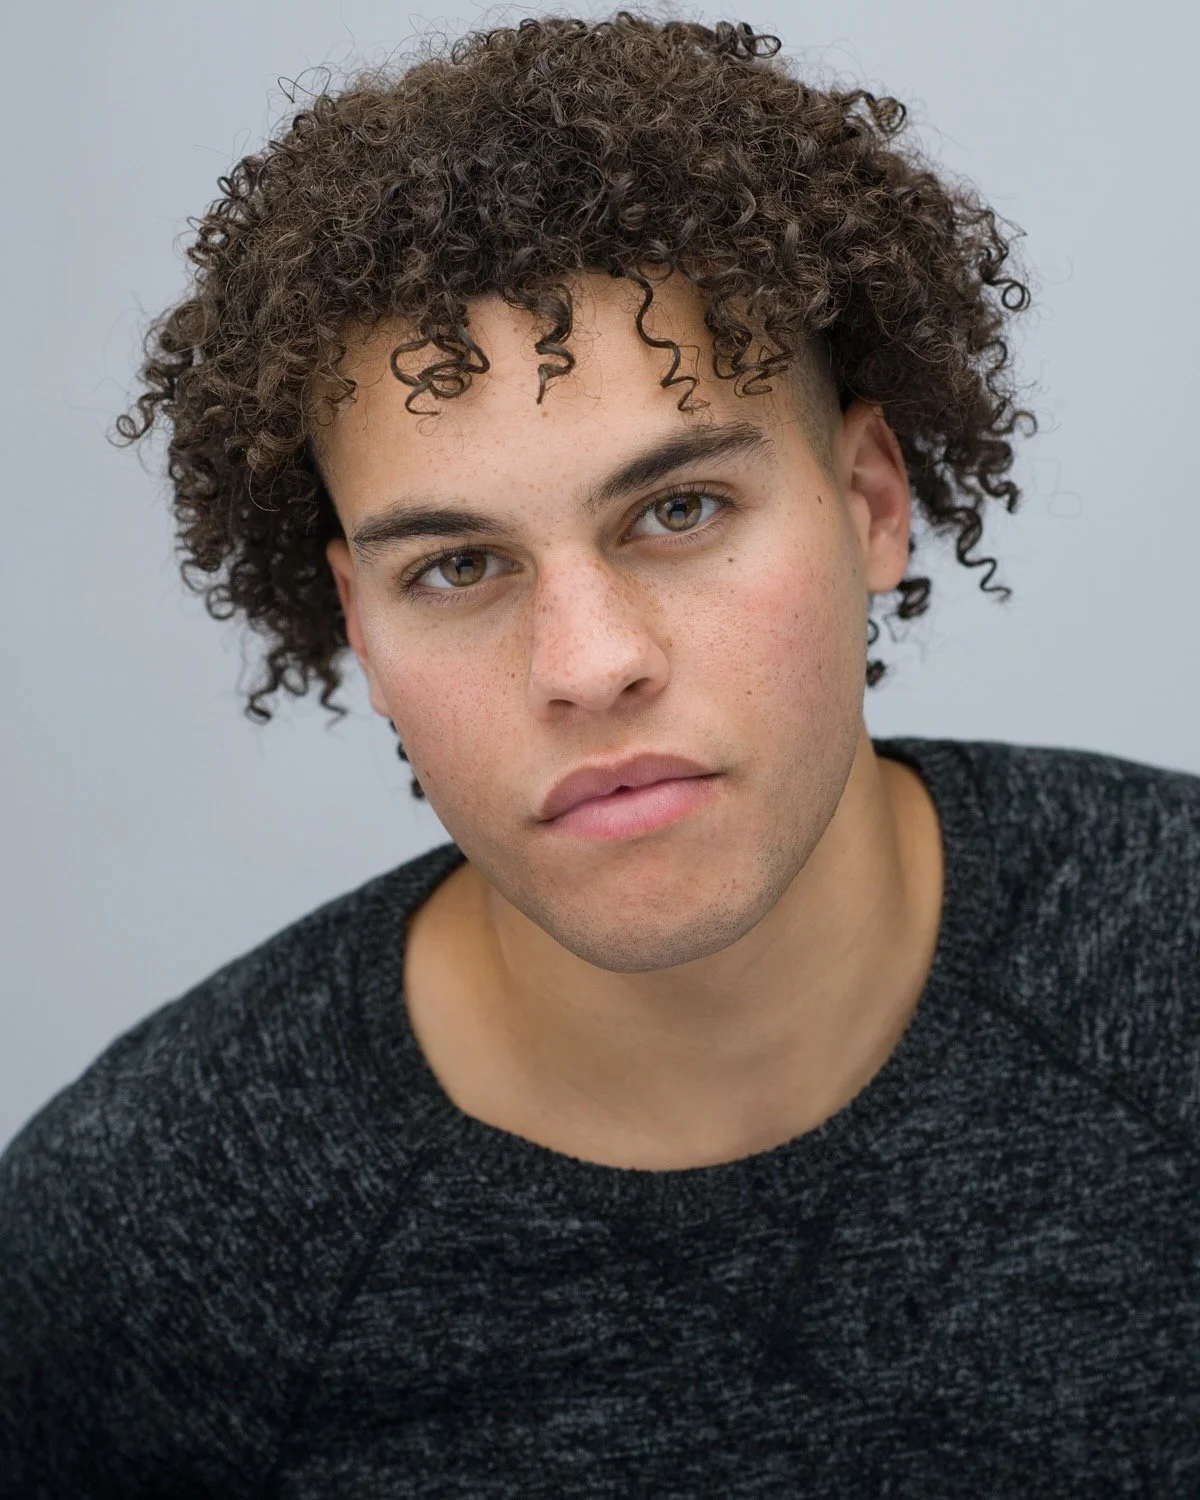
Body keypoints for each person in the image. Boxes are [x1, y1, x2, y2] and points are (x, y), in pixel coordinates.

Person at [2, 13, 1197, 1496]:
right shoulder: (142, 1244)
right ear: (360, 629)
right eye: (455, 567)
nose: (589, 664)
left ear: (870, 502)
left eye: (678, 510)